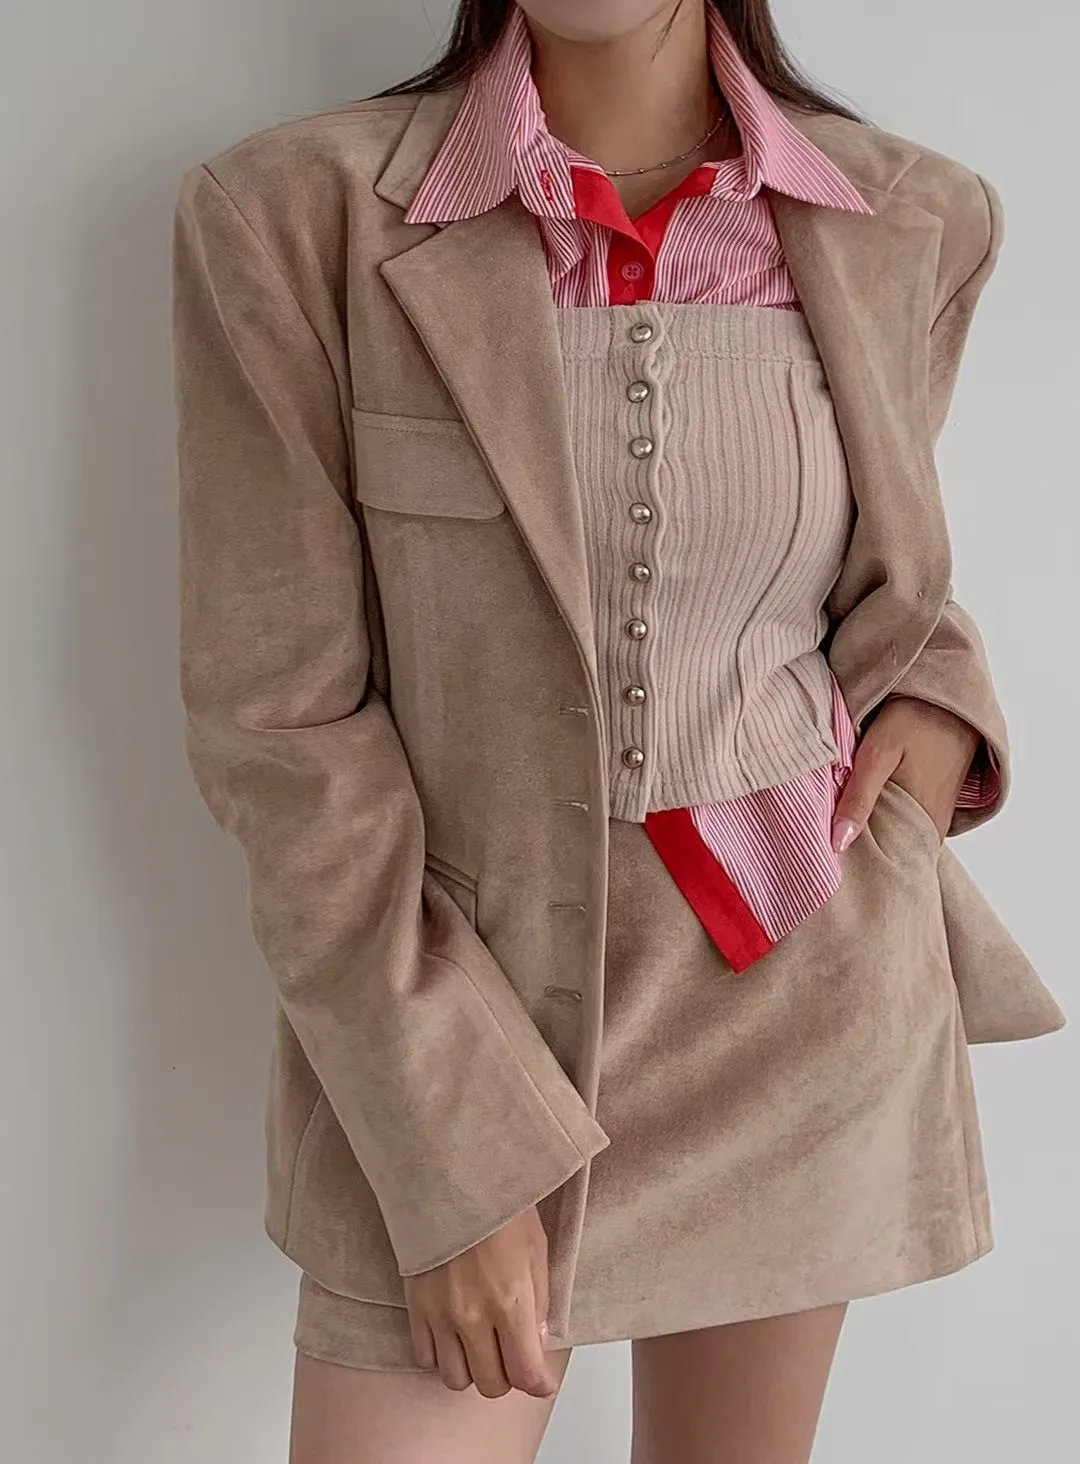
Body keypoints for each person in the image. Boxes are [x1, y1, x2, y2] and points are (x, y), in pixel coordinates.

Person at [170, 2, 1065, 1461]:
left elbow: (873, 566)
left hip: (799, 998)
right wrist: (451, 1147)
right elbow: (278, 722)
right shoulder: (288, 218)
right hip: (463, 1024)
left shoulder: (913, 217)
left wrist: (940, 693)